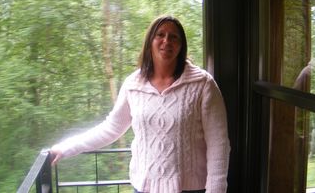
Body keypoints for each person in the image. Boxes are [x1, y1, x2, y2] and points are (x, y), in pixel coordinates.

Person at [50, 15, 230, 193]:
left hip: (190, 188)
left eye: (174, 37)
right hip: (144, 187)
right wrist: (67, 147)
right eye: (160, 34)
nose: (166, 41)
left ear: (181, 45)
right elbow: (110, 128)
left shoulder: (202, 84)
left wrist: (216, 189)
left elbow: (218, 143)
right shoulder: (133, 84)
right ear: (150, 41)